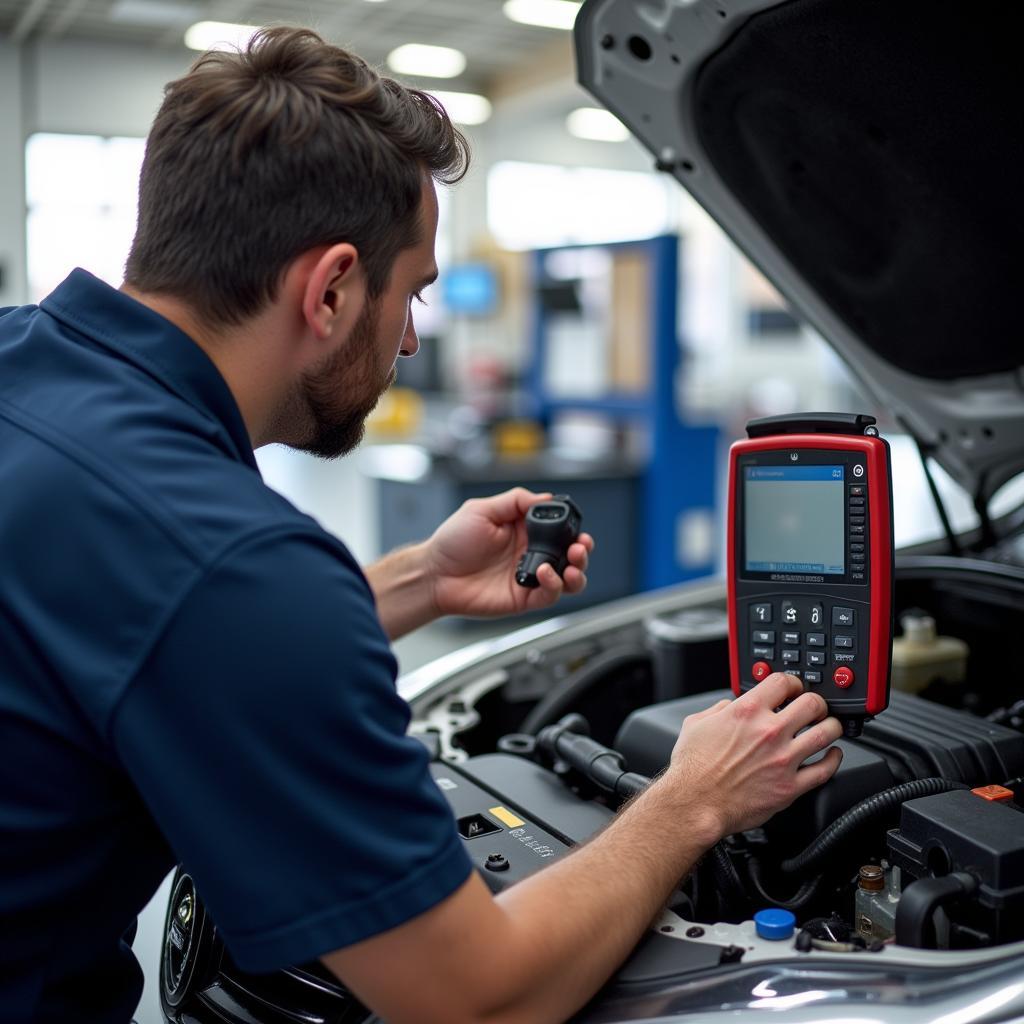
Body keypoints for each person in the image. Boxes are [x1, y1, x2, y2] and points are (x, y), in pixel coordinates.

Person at [0, 26, 843, 1024]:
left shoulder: (25, 366)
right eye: (413, 294)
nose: (408, 336)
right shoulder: (236, 565)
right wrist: (690, 800)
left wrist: (417, 581)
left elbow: (133, 617)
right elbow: (473, 998)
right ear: (331, 288)